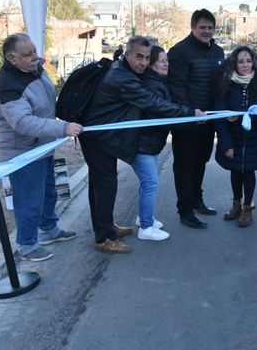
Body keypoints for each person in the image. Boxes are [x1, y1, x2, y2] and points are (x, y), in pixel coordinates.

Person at [80, 36, 203, 253]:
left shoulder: (125, 70)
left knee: (101, 185)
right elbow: (153, 103)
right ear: (127, 54)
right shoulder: (123, 78)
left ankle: (106, 227)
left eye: (147, 58)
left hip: (103, 135)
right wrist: (189, 113)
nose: (144, 63)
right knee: (105, 186)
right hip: (97, 137)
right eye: (139, 57)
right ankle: (104, 238)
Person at [0, 33, 83, 262]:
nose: (35, 57)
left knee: (48, 192)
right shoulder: (7, 85)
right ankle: (27, 245)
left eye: (34, 51)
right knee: (28, 200)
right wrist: (62, 128)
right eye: (28, 54)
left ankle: (49, 230)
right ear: (11, 58)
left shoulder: (33, 68)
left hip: (42, 145)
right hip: (22, 152)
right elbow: (21, 122)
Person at [168, 9, 226, 228]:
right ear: (193, 27)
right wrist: (192, 113)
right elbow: (177, 87)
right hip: (186, 121)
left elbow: (221, 85)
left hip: (209, 120)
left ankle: (197, 201)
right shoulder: (179, 52)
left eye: (210, 27)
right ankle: (185, 210)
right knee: (184, 165)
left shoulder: (218, 51)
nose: (206, 31)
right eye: (202, 27)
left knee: (201, 161)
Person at [214, 46, 257, 227]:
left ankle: (247, 207)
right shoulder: (226, 85)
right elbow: (220, 118)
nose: (245, 65)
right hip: (234, 138)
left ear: (253, 62)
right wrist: (226, 143)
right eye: (240, 61)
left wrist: (246, 114)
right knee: (235, 171)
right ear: (234, 64)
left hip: (254, 138)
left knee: (249, 172)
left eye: (248, 60)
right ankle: (236, 204)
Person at [132, 45, 175, 238]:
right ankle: (146, 229)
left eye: (167, 60)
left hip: (150, 143)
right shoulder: (151, 85)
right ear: (151, 64)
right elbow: (162, 109)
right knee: (150, 183)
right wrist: (190, 114)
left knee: (147, 182)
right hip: (143, 143)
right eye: (162, 60)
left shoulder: (157, 81)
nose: (166, 64)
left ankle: (143, 217)